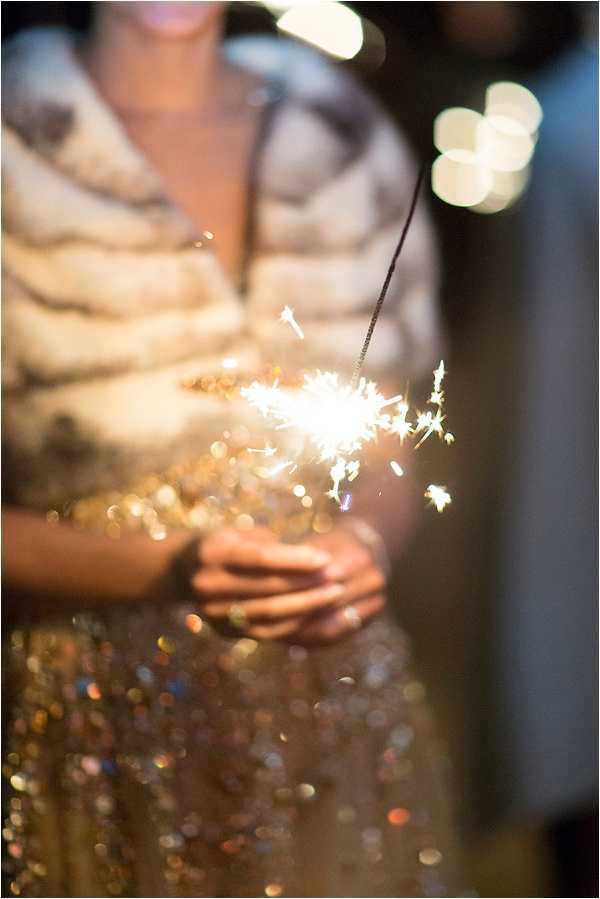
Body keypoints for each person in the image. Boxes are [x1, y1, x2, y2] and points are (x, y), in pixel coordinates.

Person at [2, 3, 456, 896]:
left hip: (327, 699)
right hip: (89, 712)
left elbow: (390, 441)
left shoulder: (337, 134)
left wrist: (363, 544)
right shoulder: (15, 143)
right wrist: (169, 567)